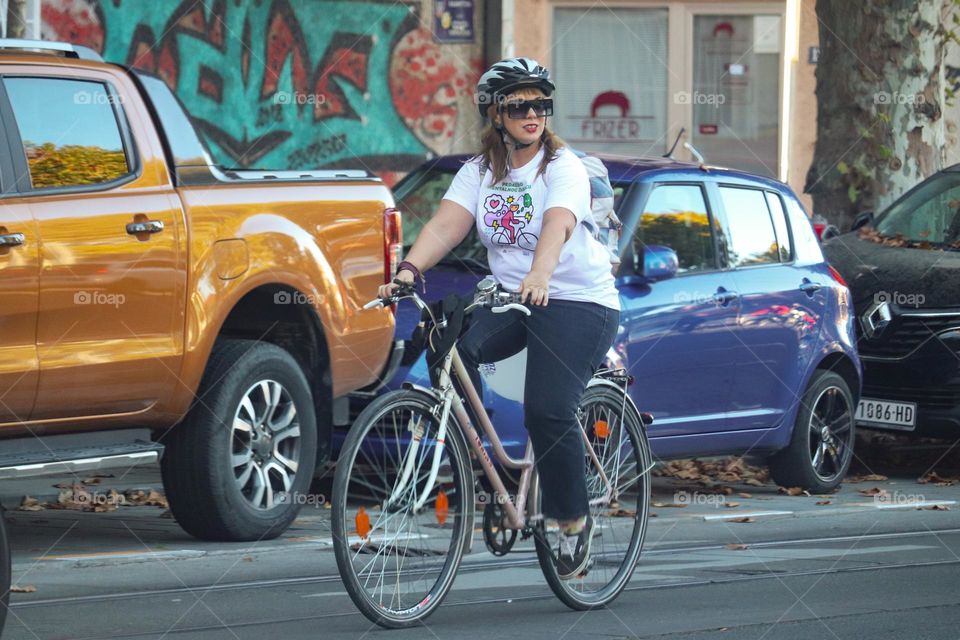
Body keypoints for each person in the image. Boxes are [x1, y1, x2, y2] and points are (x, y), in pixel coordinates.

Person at [378, 57, 619, 580]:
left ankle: (573, 523)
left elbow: (557, 225)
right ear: (496, 114)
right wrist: (409, 270)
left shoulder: (563, 168)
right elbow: (446, 226)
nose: (533, 113)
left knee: (548, 408)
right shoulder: (480, 172)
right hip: (515, 296)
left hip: (578, 300)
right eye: (519, 105)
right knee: (453, 351)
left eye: (540, 104)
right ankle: (485, 467)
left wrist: (540, 273)